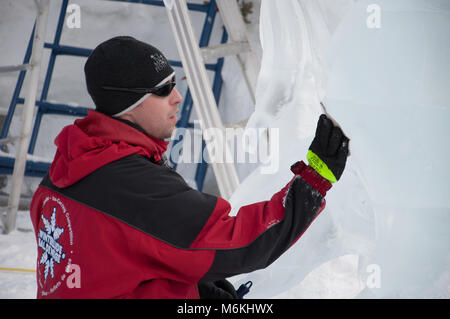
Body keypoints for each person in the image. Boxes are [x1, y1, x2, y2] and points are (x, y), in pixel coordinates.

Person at [30, 36, 349, 299]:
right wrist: (317, 177)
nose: (178, 97)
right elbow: (242, 243)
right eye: (163, 89)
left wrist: (193, 288)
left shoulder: (66, 167)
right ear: (129, 106)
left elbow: (116, 259)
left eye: (174, 83)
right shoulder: (131, 185)